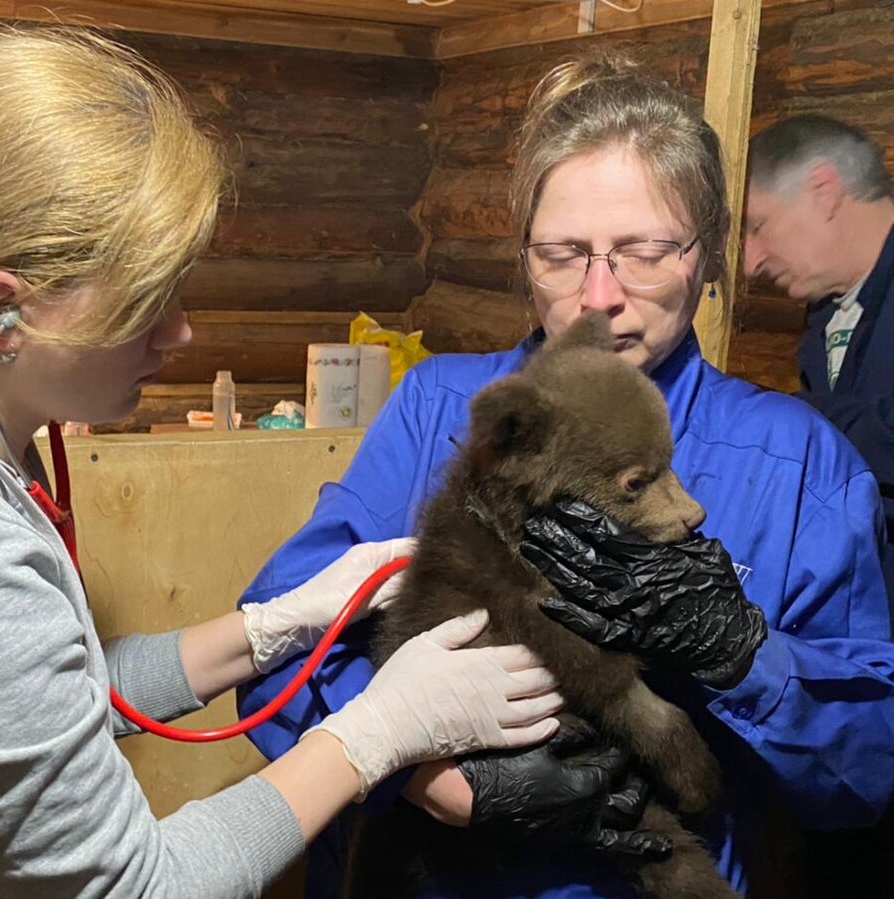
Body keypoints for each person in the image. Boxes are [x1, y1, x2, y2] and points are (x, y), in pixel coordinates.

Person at [0, 29, 576, 898]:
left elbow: (35, 707)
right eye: (150, 301)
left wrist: (275, 626)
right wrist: (379, 730)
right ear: (3, 310)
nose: (180, 331)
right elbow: (138, 887)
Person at [238, 52, 894, 898]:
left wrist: (745, 658)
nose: (596, 296)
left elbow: (869, 766)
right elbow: (281, 650)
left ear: (707, 255)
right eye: (562, 253)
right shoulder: (440, 408)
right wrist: (425, 769)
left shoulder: (797, 463)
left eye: (643, 252)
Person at [745, 114, 894, 607]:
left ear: (824, 189)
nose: (751, 261)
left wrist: (785, 419)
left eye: (758, 226)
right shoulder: (826, 314)